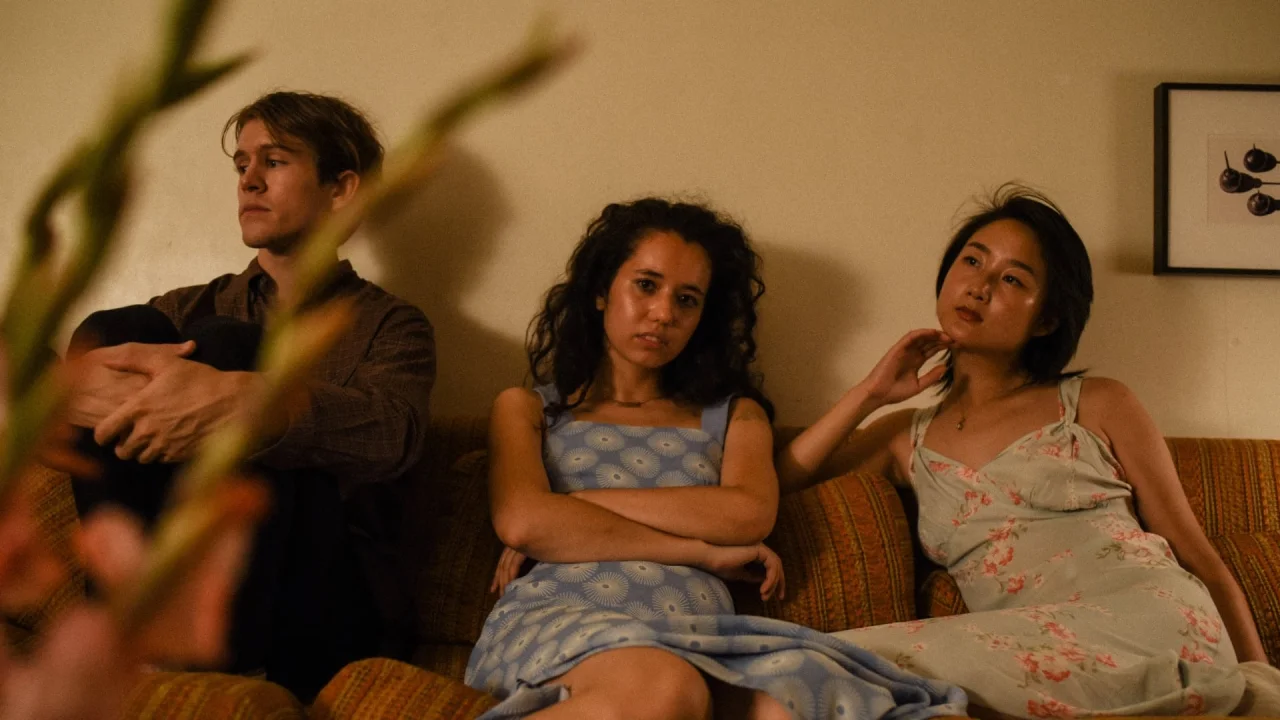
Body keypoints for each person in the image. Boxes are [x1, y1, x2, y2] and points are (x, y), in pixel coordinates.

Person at [777, 184, 1279, 717]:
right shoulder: (904, 436)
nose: (980, 286)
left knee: (838, 663)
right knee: (813, 670)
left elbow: (1196, 554)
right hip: (1027, 659)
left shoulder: (1098, 402)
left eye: (1012, 278)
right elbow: (778, 485)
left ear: (1047, 320)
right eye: (973, 260)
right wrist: (869, 393)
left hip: (1153, 622)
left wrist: (1261, 679)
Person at [467, 198, 965, 719]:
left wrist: (573, 505)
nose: (664, 313)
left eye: (687, 299)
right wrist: (699, 551)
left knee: (795, 709)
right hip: (564, 618)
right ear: (600, 290)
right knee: (663, 689)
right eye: (646, 285)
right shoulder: (526, 408)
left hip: (705, 632)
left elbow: (748, 514)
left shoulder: (733, 415)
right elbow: (522, 520)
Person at [62, 91, 436, 701]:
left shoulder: (391, 324)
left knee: (228, 344)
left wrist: (250, 399)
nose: (249, 181)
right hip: (168, 578)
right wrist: (76, 388)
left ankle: (228, 672)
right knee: (117, 327)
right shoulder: (182, 307)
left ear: (341, 189)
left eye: (275, 161)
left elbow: (395, 437)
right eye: (241, 165)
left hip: (317, 599)